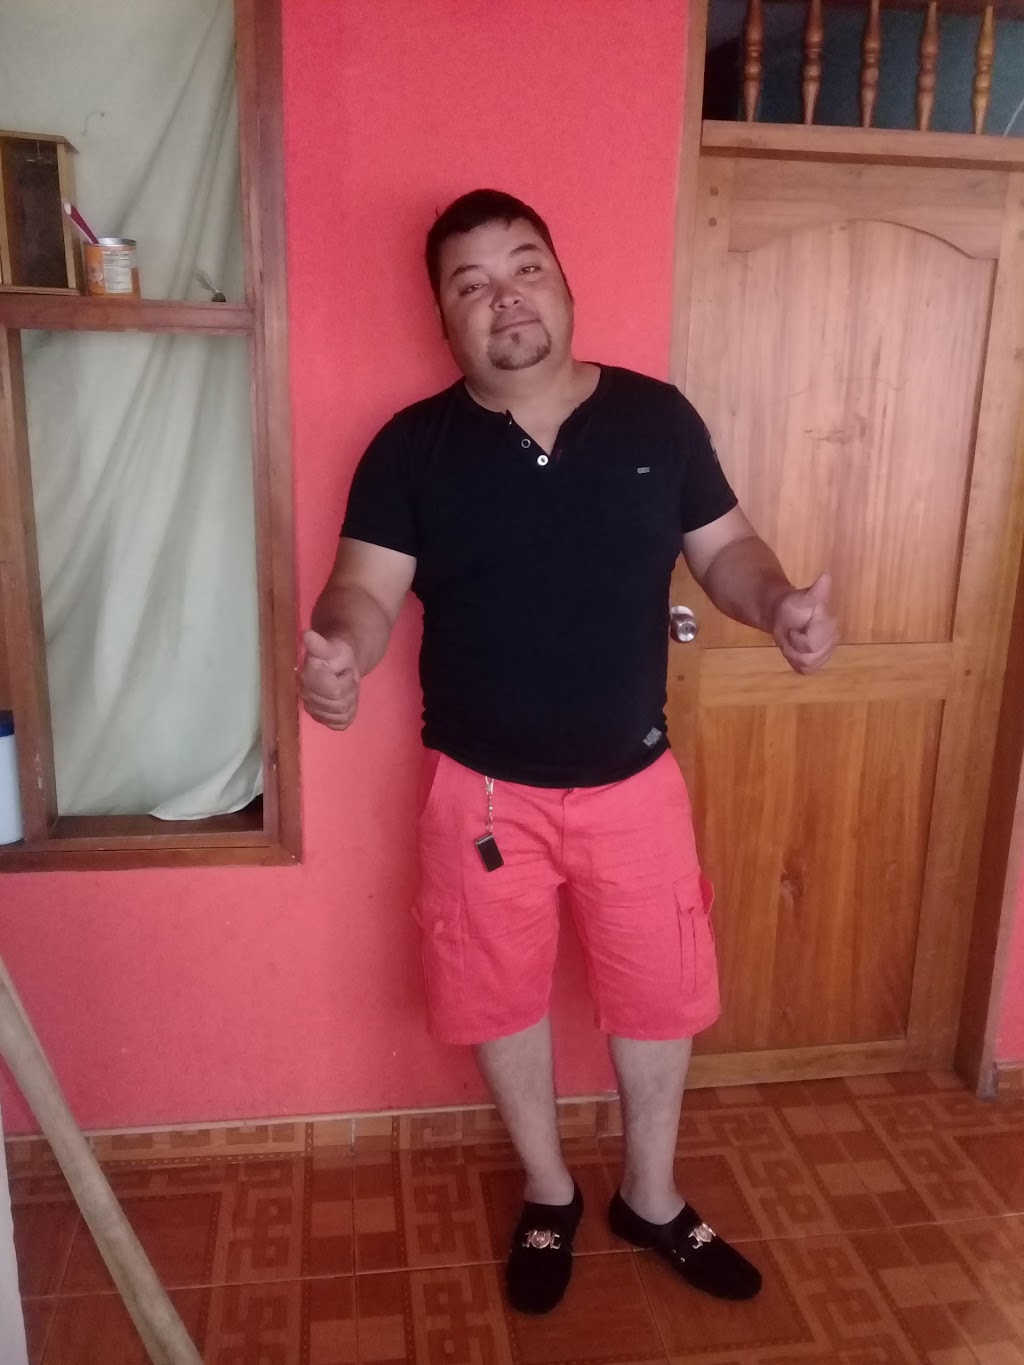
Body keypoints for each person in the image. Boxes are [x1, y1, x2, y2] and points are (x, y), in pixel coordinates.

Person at [301, 189, 838, 1315]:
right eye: (471, 283)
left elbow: (726, 552)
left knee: (659, 996)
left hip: (635, 784)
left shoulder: (655, 420)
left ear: (562, 281)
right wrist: (339, 651)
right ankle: (549, 1193)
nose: (504, 297)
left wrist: (779, 602)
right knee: (496, 995)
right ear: (443, 315)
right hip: (481, 793)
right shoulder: (412, 447)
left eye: (524, 267)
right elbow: (362, 589)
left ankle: (650, 1196)